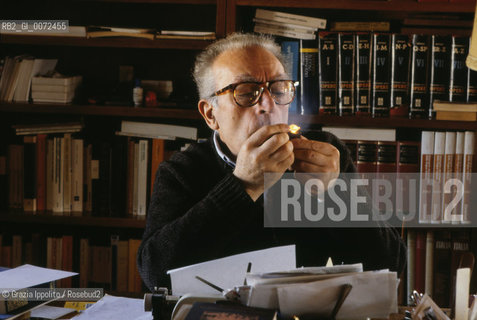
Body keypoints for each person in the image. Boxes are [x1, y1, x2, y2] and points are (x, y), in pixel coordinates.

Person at [137, 33, 406, 291]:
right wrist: (242, 185)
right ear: (211, 115)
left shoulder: (324, 153)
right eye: (245, 92)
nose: (268, 105)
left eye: (278, 89)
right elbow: (154, 273)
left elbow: (388, 267)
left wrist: (335, 193)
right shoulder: (183, 171)